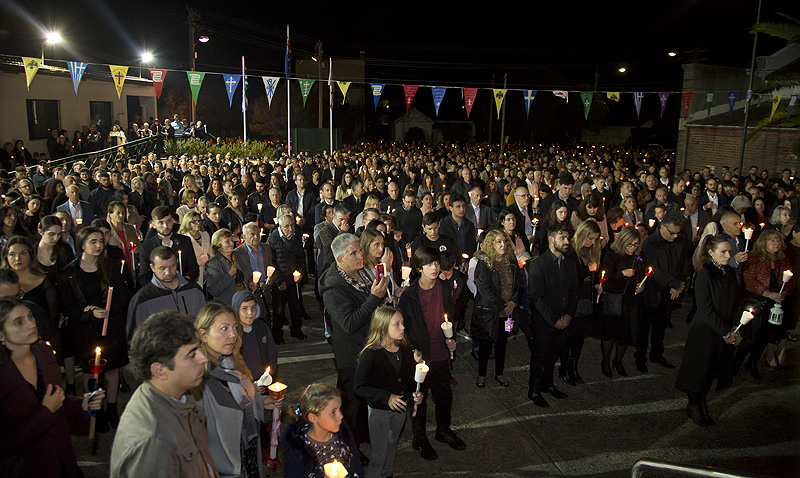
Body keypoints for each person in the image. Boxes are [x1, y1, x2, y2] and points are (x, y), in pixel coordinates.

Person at [0, 298, 104, 477]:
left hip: (62, 458)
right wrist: (46, 413)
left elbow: (55, 397)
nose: (31, 324)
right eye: (19, 322)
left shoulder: (43, 351)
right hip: (26, 466)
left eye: (30, 317)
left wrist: (82, 404)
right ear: (1, 335)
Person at [110, 311, 218, 478]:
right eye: (191, 354)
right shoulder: (153, 441)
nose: (203, 358)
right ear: (159, 370)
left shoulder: (179, 397)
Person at [194, 302, 280, 478]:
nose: (233, 335)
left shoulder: (232, 363)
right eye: (224, 328)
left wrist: (261, 402)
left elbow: (239, 397)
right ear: (203, 335)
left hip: (246, 454)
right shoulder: (196, 380)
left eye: (234, 327)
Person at [58, 226, 131, 428]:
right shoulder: (69, 273)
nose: (99, 245)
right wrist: (88, 313)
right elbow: (66, 305)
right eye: (93, 241)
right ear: (82, 245)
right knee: (91, 371)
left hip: (111, 327)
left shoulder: (110, 267)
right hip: (86, 331)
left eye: (101, 241)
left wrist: (110, 309)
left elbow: (123, 294)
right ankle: (94, 411)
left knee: (112, 370)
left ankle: (112, 408)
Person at [398, 245, 464, 460]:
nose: (434, 268)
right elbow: (402, 330)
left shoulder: (445, 289)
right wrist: (414, 349)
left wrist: (451, 338)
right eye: (428, 264)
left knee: (444, 395)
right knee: (419, 399)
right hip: (421, 357)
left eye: (436, 263)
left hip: (441, 353)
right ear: (418, 267)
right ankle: (420, 438)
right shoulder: (410, 296)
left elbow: (450, 318)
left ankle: (443, 430)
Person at [676, 235, 741, 426]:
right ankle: (695, 405)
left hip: (722, 329)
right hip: (705, 330)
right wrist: (725, 332)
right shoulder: (704, 274)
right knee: (698, 370)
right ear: (711, 253)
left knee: (710, 369)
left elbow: (734, 300)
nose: (728, 255)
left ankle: (701, 402)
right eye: (723, 252)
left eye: (729, 251)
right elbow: (705, 309)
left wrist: (736, 325)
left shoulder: (727, 272)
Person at [354, 306, 422, 478]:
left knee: (392, 443)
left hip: (400, 409)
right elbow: (359, 386)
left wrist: (415, 393)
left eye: (403, 323)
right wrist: (386, 397)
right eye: (397, 324)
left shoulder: (404, 349)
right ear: (383, 327)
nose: (403, 328)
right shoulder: (371, 354)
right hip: (379, 412)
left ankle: (388, 473)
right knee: (378, 452)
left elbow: (409, 378)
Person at [526, 223, 578, 408]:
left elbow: (574, 290)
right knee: (540, 356)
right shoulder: (538, 265)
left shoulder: (569, 261)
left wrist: (569, 315)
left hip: (564, 318)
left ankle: (548, 384)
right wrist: (554, 320)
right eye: (562, 238)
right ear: (550, 239)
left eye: (567, 238)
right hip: (544, 322)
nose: (566, 242)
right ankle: (534, 389)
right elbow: (537, 298)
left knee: (554, 355)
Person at [471, 229, 524, 388]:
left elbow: (519, 283)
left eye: (504, 241)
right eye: (498, 242)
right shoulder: (485, 262)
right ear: (490, 244)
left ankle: (499, 374)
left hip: (507, 313)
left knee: (502, 343)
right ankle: (482, 375)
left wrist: (513, 302)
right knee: (486, 345)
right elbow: (484, 288)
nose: (503, 245)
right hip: (489, 312)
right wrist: (502, 306)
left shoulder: (511, 260)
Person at [637, 214, 690, 373]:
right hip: (652, 291)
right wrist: (674, 283)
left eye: (677, 233)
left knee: (661, 325)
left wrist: (679, 283)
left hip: (669, 292)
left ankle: (656, 353)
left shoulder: (680, 241)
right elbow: (655, 270)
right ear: (662, 227)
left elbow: (685, 262)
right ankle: (640, 357)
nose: (675, 236)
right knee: (644, 328)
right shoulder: (650, 244)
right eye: (672, 232)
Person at [740, 229, 795, 377]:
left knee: (764, 335)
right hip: (759, 301)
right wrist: (767, 293)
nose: (776, 243)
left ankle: (753, 363)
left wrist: (784, 293)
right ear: (764, 242)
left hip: (776, 302)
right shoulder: (754, 258)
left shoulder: (782, 259)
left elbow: (790, 280)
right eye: (772, 240)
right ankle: (736, 363)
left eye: (778, 240)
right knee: (752, 336)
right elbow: (749, 280)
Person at [282, 383, 365, 478]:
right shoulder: (298, 451)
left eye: (340, 409)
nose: (341, 416)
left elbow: (356, 466)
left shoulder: (344, 437)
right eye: (333, 412)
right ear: (313, 418)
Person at [126, 246, 206, 342]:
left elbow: (205, 322)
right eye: (162, 268)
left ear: (177, 262)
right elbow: (135, 340)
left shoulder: (194, 289)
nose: (168, 272)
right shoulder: (143, 299)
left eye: (171, 266)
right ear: (152, 267)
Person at [560, 220, 601, 385]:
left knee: (579, 337)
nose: (592, 242)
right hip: (573, 300)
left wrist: (597, 283)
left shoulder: (591, 251)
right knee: (569, 337)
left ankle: (574, 365)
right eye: (590, 238)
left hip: (586, 300)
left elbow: (593, 274)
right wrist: (587, 270)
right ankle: (564, 368)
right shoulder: (571, 251)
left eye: (595, 240)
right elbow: (571, 277)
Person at [599, 227, 645, 377]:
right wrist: (621, 274)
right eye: (629, 244)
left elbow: (643, 275)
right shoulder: (613, 254)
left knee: (624, 334)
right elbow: (605, 276)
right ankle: (605, 361)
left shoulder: (638, 257)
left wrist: (641, 286)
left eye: (636, 244)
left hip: (630, 300)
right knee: (610, 333)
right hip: (614, 298)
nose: (633, 248)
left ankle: (618, 360)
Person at [267, 215, 308, 341]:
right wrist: (279, 280)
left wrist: (301, 272)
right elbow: (271, 261)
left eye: (292, 225)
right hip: (280, 280)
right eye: (287, 226)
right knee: (279, 309)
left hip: (293, 279)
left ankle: (296, 330)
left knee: (295, 307)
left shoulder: (296, 237)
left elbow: (301, 257)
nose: (290, 229)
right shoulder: (273, 239)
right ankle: (277, 334)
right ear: (280, 227)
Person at [139, 206, 199, 284]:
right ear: (153, 224)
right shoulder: (147, 246)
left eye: (169, 221)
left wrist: (187, 278)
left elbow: (193, 267)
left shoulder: (184, 241)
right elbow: (144, 276)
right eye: (161, 222)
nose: (165, 226)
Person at [233, 290, 278, 380]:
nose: (250, 312)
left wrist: (266, 378)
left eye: (253, 308)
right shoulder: (232, 333)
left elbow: (272, 353)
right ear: (236, 310)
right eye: (244, 308)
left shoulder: (262, 327)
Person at [206, 228, 246, 304]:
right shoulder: (213, 264)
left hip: (243, 301)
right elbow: (214, 290)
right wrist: (229, 275)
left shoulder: (238, 256)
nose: (231, 243)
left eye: (232, 240)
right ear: (218, 245)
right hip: (226, 305)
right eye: (227, 241)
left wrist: (250, 284)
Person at [179, 211, 212, 288]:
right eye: (194, 222)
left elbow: (211, 253)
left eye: (199, 221)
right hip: (194, 273)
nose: (197, 223)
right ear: (187, 223)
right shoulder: (184, 238)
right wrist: (205, 257)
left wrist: (205, 257)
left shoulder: (205, 234)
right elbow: (187, 259)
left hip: (207, 271)